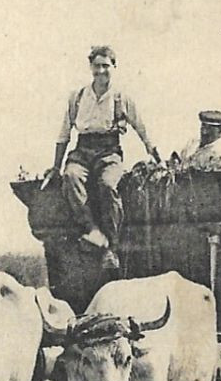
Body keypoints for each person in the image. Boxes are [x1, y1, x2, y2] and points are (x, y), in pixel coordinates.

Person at [50, 45, 162, 270]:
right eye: (96, 66)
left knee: (109, 184)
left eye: (105, 66)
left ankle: (112, 247)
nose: (101, 71)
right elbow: (64, 133)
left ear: (114, 66)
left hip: (109, 151)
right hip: (82, 150)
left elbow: (142, 128)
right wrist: (56, 166)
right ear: (90, 68)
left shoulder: (121, 98)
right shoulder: (78, 97)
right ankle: (92, 229)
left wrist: (157, 156)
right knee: (71, 177)